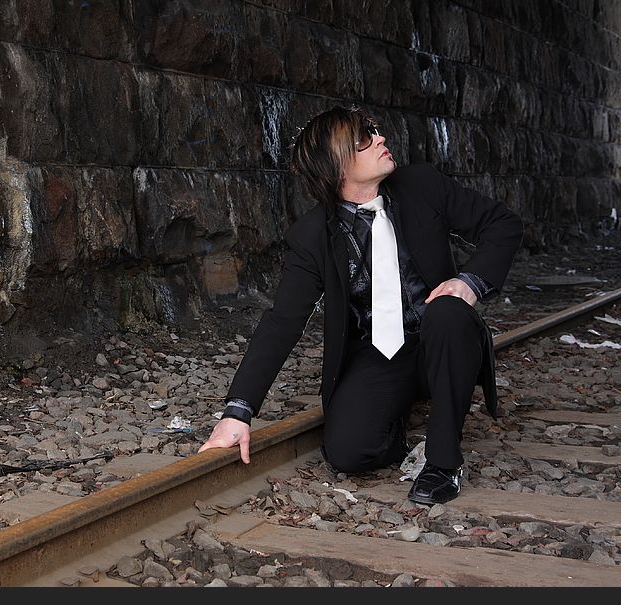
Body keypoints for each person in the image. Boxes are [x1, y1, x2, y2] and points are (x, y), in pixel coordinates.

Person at [197, 106, 524, 505]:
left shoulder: (422, 185)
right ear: (336, 167)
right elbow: (282, 320)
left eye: (375, 131)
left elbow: (503, 224)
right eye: (364, 139)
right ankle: (401, 419)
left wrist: (469, 282)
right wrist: (238, 411)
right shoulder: (312, 235)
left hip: (445, 335)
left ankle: (443, 464)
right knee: (349, 452)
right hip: (382, 351)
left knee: (448, 312)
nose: (381, 138)